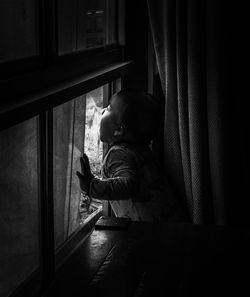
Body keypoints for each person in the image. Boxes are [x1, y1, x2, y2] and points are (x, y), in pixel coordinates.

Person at [77, 89, 187, 221]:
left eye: (108, 108)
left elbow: (127, 185)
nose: (102, 111)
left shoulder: (118, 154)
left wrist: (91, 186)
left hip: (152, 234)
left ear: (118, 129)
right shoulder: (142, 150)